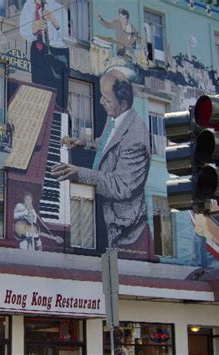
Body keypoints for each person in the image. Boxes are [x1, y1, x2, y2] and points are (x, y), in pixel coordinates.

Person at [52, 69, 152, 256]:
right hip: (106, 210)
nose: (100, 102)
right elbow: (108, 143)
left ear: (122, 104)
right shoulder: (116, 116)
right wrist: (84, 143)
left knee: (109, 279)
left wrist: (79, 173)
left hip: (123, 231)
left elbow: (120, 185)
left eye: (106, 99)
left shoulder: (136, 138)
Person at [19, 0, 69, 110]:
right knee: (39, 85)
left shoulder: (59, 8)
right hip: (38, 49)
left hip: (57, 51)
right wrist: (33, 28)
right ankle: (41, 113)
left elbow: (65, 37)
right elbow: (23, 31)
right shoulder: (28, 6)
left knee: (57, 90)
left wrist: (53, 20)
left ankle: (57, 116)